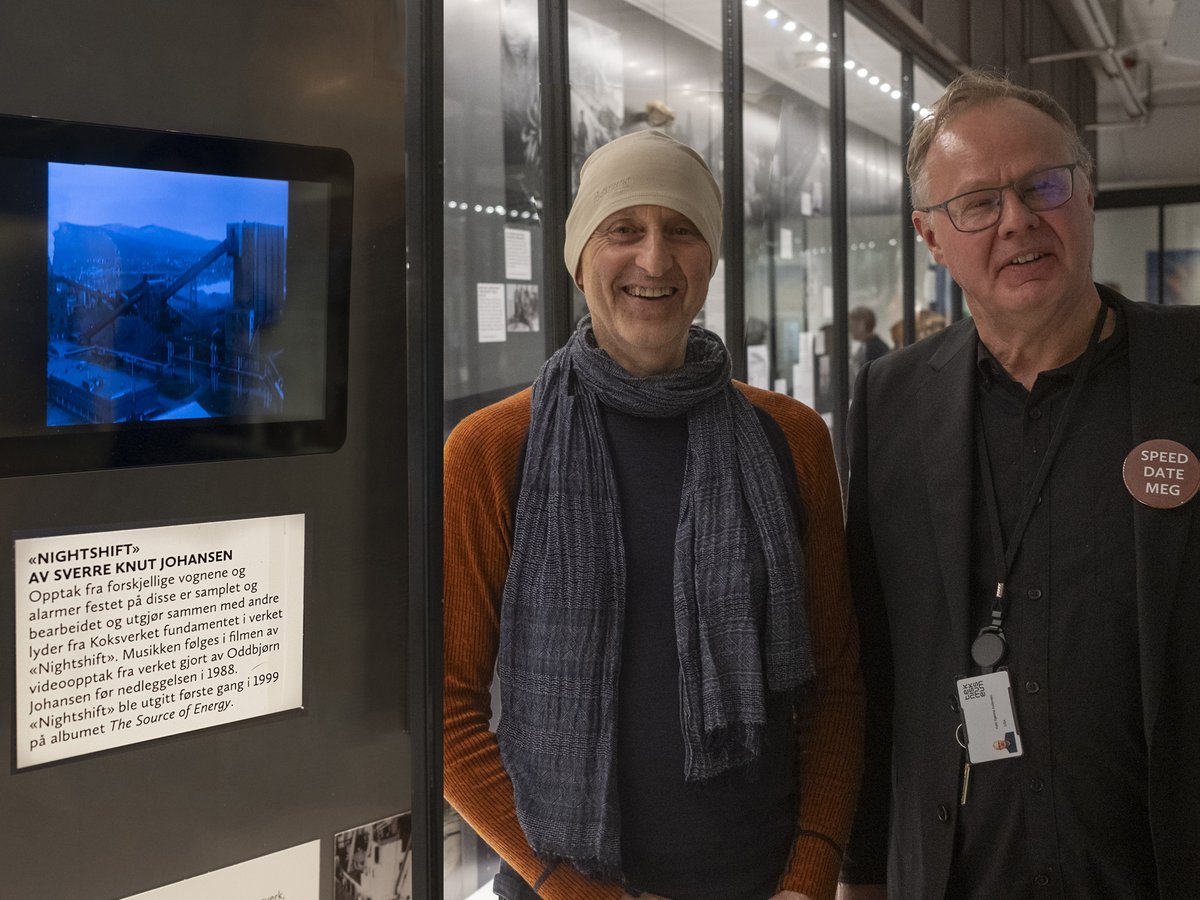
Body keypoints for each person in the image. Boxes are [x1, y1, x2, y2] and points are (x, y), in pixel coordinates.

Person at [445, 130, 864, 900]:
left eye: (681, 229)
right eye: (622, 231)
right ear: (579, 258)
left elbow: (834, 686)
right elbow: (446, 709)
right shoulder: (493, 451)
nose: (653, 260)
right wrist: (573, 889)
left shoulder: (791, 439)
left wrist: (810, 876)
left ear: (710, 258)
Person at [838, 70, 1200, 900]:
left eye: (1043, 184)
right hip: (961, 869)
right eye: (978, 202)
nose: (1018, 221)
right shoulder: (890, 400)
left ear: (1086, 191)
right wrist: (861, 874)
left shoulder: (1188, 372)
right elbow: (876, 657)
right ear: (931, 237)